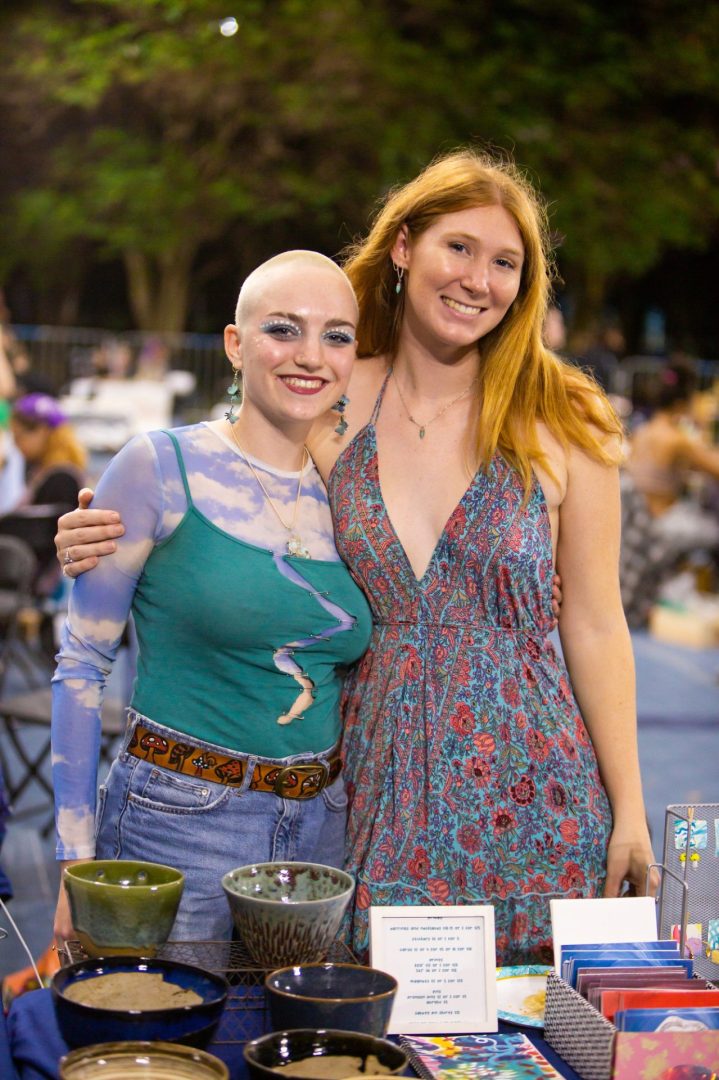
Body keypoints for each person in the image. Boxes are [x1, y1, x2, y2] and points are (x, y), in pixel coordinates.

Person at [56, 149, 655, 966]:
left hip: (535, 789)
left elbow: (593, 621)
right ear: (403, 248)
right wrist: (99, 526)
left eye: (505, 262)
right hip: (366, 791)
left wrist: (628, 806)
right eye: (459, 248)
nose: (478, 279)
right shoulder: (332, 396)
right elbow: (220, 476)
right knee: (354, 1024)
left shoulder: (565, 417)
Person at [51, 250, 372, 945]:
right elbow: (79, 666)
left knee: (287, 1051)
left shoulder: (357, 495)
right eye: (282, 330)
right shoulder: (158, 466)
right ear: (234, 343)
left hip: (323, 832)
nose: (310, 356)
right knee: (161, 1044)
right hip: (177, 822)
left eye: (336, 335)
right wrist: (73, 861)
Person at [620, 361, 719, 626]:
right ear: (684, 402)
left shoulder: (642, 431)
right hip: (659, 529)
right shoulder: (678, 440)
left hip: (632, 529)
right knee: (713, 530)